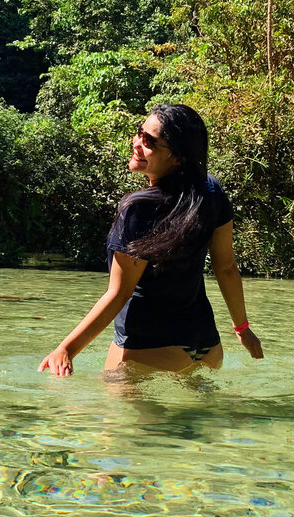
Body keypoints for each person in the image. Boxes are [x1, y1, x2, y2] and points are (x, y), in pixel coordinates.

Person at [39, 104, 263, 378]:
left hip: (148, 347)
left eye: (150, 142)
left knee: (117, 421)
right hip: (206, 345)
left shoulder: (137, 208)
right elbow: (226, 267)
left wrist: (66, 349)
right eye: (139, 133)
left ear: (177, 158)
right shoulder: (210, 190)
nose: (137, 143)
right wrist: (242, 328)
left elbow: (119, 293)